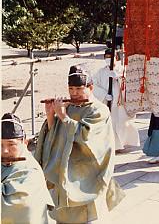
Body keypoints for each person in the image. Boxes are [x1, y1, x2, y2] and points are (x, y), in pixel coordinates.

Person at [34, 65, 124, 223]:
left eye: (78, 88)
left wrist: (63, 116)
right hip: (64, 172)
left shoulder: (99, 110)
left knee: (86, 214)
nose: (74, 93)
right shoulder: (68, 108)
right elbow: (55, 137)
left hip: (85, 175)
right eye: (71, 89)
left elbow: (86, 137)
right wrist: (51, 117)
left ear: (90, 87)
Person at [2, 113, 53, 224]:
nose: (5, 150)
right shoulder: (4, 163)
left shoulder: (30, 171)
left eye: (11, 144)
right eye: (0, 145)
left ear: (24, 143)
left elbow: (8, 208)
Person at [92, 49, 140, 151]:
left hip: (120, 103)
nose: (108, 59)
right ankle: (112, 145)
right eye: (106, 57)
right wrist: (104, 94)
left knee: (122, 123)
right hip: (107, 102)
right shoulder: (100, 72)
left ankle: (122, 143)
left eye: (110, 57)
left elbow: (130, 83)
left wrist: (118, 78)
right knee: (110, 124)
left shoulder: (122, 70)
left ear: (116, 58)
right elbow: (94, 85)